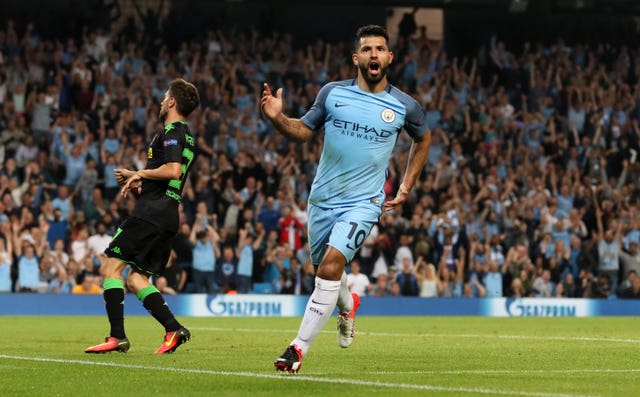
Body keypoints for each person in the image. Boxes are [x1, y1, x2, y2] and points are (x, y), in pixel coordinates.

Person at [261, 24, 430, 373]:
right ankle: (348, 303)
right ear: (356, 58)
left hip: (364, 203)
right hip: (323, 199)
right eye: (367, 49)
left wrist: (405, 188)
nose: (374, 55)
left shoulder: (404, 105)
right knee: (323, 271)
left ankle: (297, 349)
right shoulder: (332, 93)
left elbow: (423, 139)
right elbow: (303, 132)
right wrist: (278, 118)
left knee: (332, 265)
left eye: (380, 49)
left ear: (389, 57)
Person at [85, 78, 200, 354]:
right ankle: (173, 328)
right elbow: (172, 176)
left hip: (152, 212)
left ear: (172, 102)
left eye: (164, 97)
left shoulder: (172, 130)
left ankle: (117, 337)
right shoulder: (188, 136)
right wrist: (140, 181)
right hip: (168, 214)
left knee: (110, 267)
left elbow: (172, 170)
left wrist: (139, 173)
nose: (161, 101)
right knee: (137, 280)